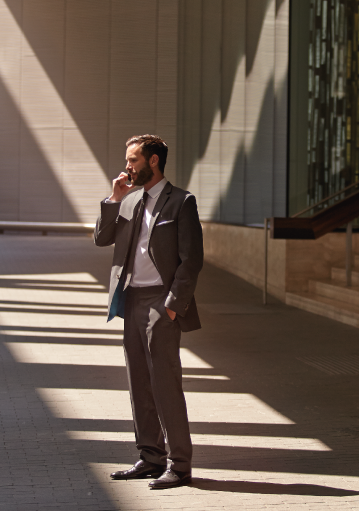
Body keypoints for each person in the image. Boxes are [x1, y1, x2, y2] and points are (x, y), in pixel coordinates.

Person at [94, 134, 203, 489]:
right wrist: (114, 198)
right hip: (132, 300)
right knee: (138, 382)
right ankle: (150, 458)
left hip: (162, 301)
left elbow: (192, 260)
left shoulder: (182, 202)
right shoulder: (128, 199)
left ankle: (180, 464)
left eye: (134, 160)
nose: (128, 166)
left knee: (164, 383)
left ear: (153, 161)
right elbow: (102, 237)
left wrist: (173, 306)